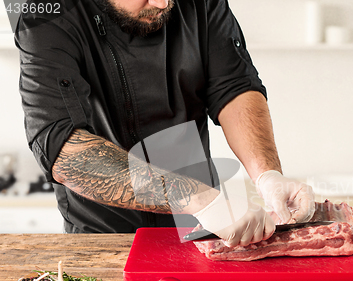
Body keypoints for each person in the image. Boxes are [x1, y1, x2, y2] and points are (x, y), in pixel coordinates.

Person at [15, 0, 315, 246]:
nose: (163, 3)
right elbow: (63, 150)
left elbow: (234, 86)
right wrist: (198, 198)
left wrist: (267, 174)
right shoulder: (41, 9)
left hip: (204, 231)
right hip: (102, 238)